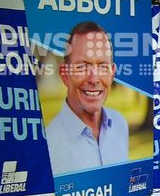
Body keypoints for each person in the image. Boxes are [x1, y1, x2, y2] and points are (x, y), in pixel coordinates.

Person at [45, 21, 129, 175]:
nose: (94, 79)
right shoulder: (49, 144)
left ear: (112, 73)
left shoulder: (120, 124)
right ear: (65, 74)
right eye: (82, 66)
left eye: (103, 66)